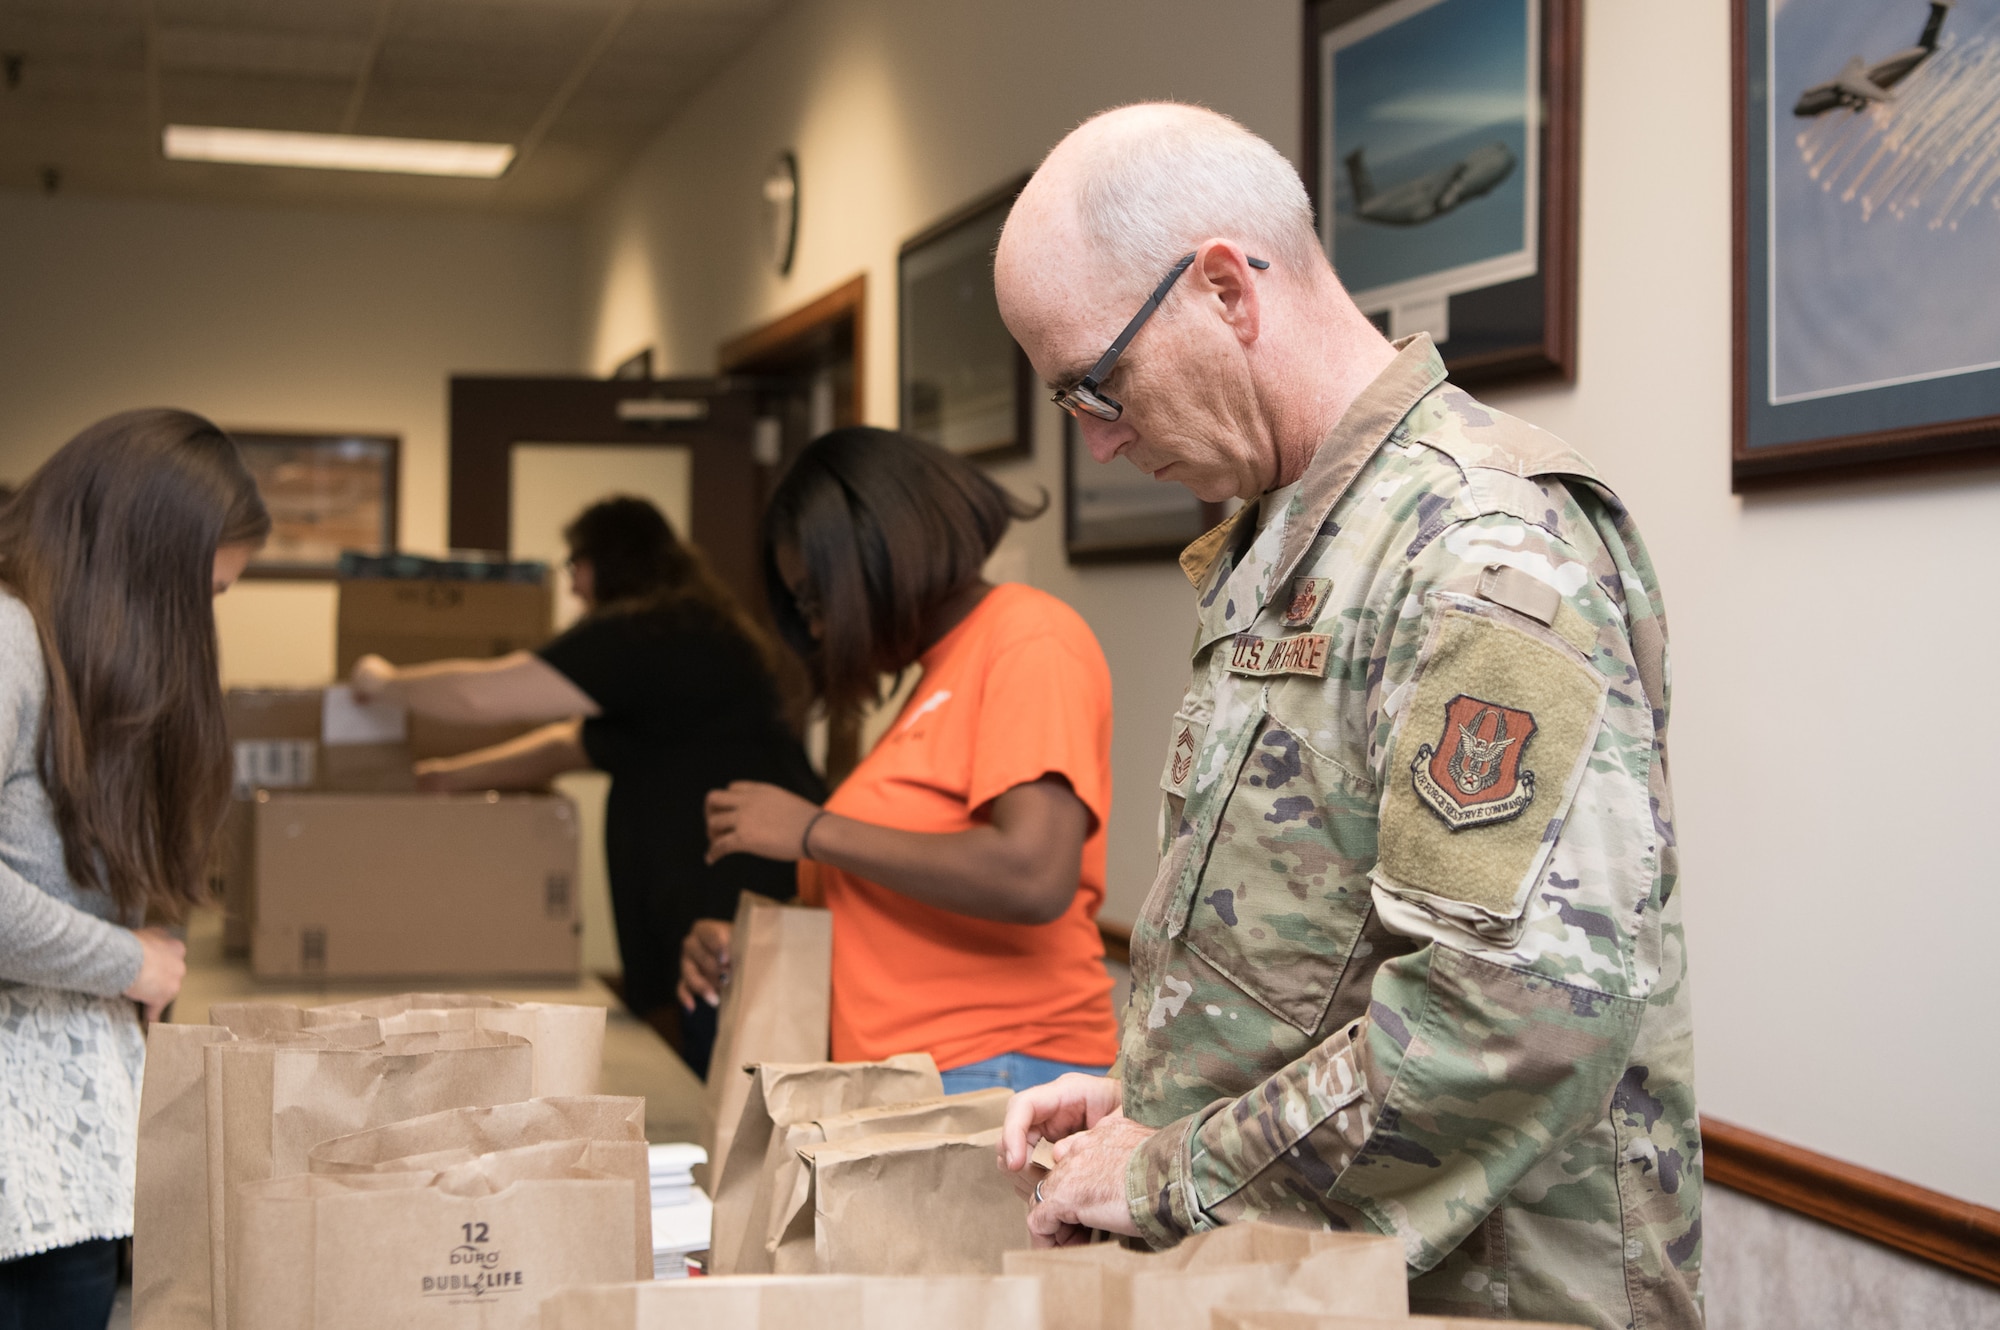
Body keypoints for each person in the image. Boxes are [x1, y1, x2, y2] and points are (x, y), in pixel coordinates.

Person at [990, 105, 1699, 1329]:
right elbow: (1307, 951)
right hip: (1312, 1275)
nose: (1098, 443)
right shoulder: (1293, 534)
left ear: (1222, 287)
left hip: (1488, 1291)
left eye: (1094, 385)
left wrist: (1166, 1171)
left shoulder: (1481, 547)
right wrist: (1154, 1099)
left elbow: (1506, 1019)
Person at [684, 428, 1119, 1095]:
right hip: (926, 1076)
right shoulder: (938, 672)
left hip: (1000, 1072)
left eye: (814, 598)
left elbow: (1033, 875)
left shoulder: (1029, 636)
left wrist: (811, 831)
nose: (821, 629)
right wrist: (749, 944)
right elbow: (900, 895)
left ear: (879, 552)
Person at [350, 497, 820, 1074]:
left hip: (728, 887)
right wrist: (453, 777)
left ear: (606, 563)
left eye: (576, 567)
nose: (574, 587)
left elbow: (483, 696)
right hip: (715, 877)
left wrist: (383, 681)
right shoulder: (688, 634)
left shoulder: (653, 630)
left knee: (729, 1060)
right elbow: (569, 745)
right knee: (709, 1051)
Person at [0, 409, 269, 1329]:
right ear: (138, 558)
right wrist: (128, 960)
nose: (203, 618)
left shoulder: (73, 659)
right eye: (208, 590)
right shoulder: (7, 644)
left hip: (59, 1167)